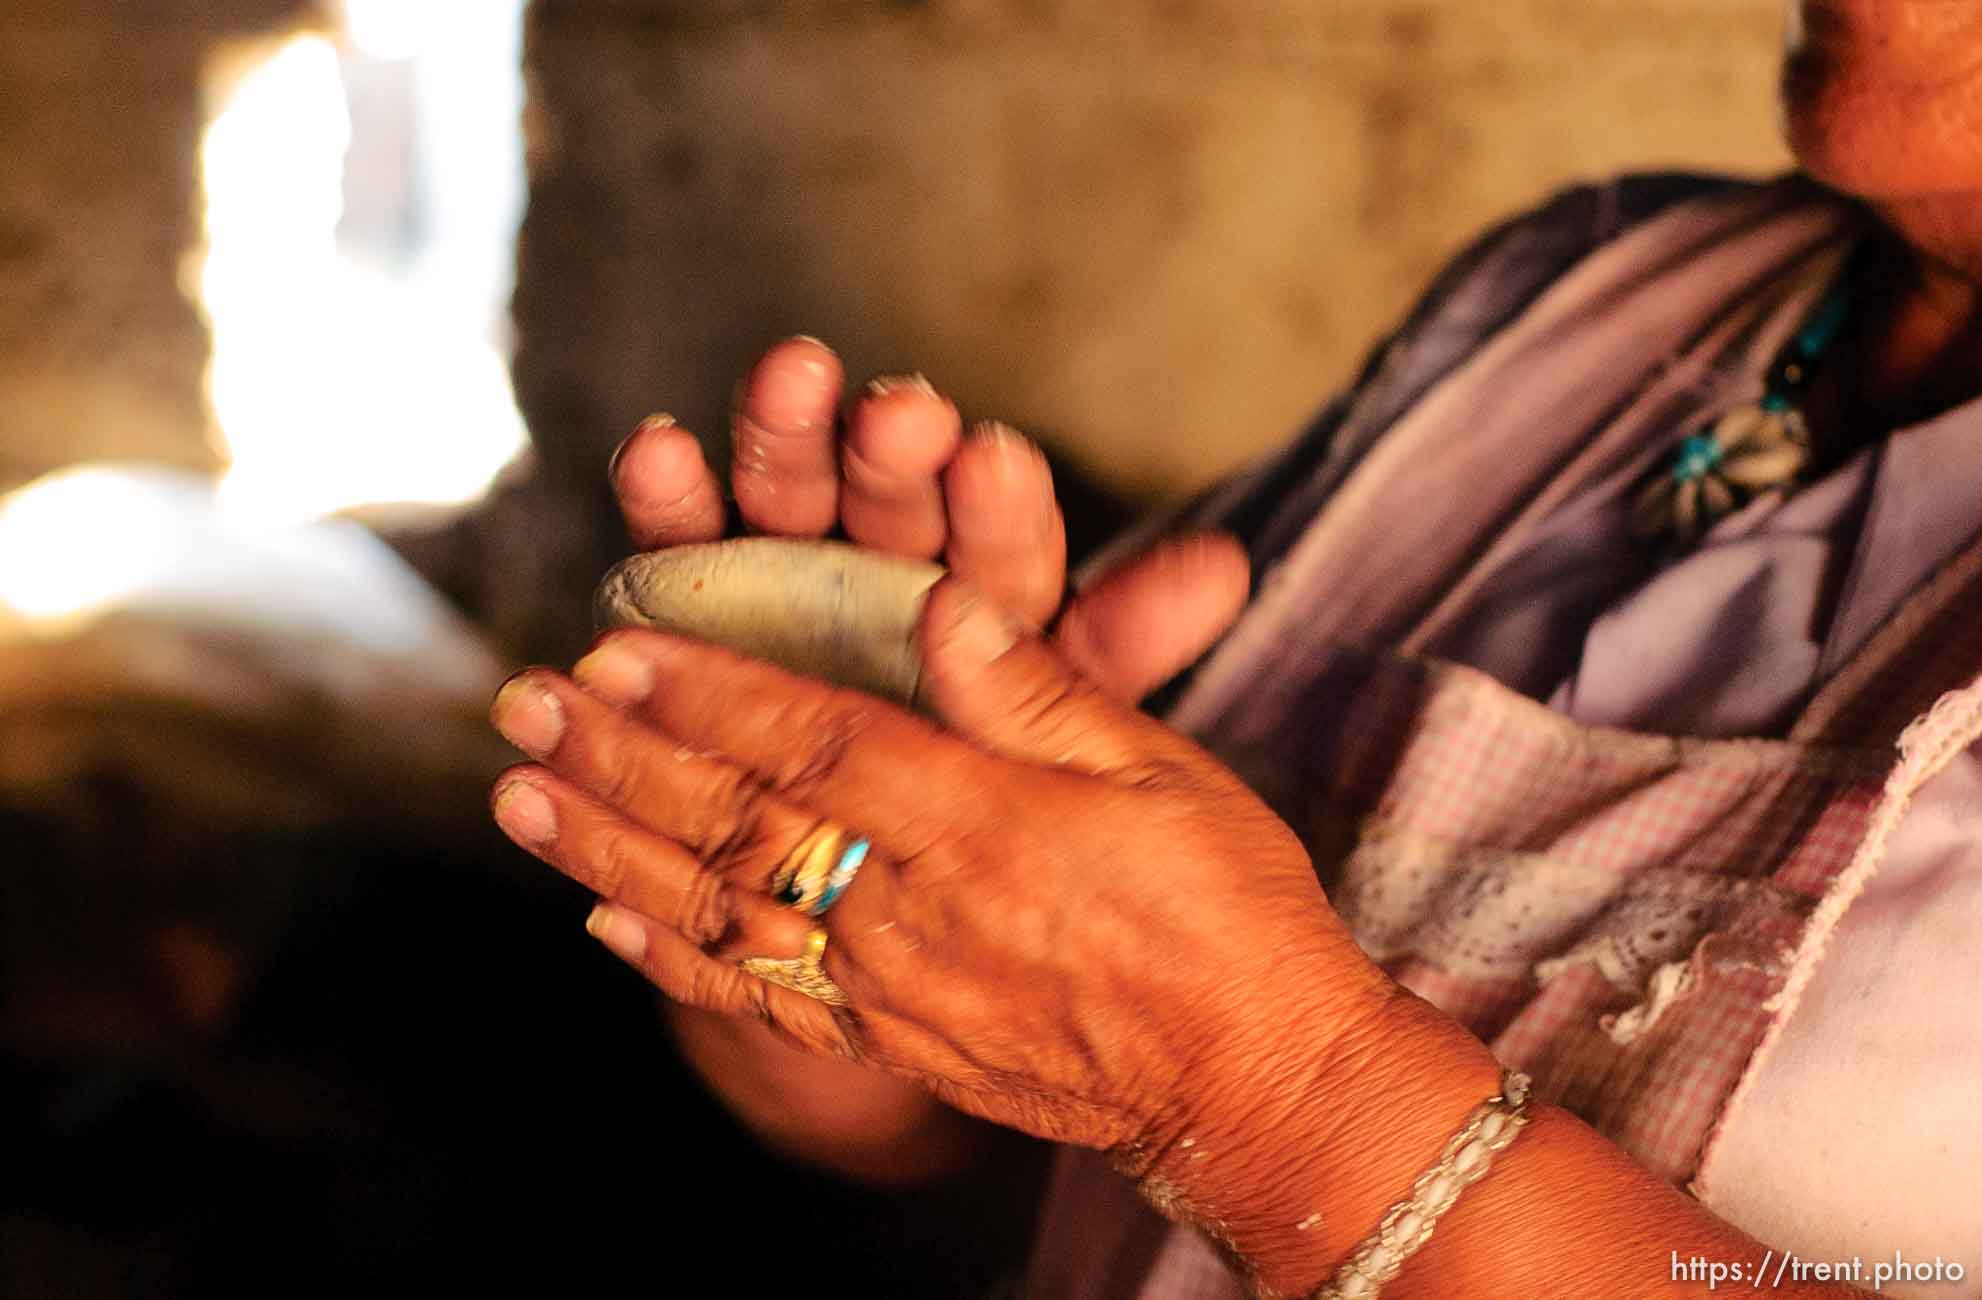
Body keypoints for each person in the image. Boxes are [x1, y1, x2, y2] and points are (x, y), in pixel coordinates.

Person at [487, 2, 1982, 1295]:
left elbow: (1198, 1078)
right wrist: (848, 902)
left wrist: (1276, 1099)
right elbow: (999, 1151)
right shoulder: (1581, 294)